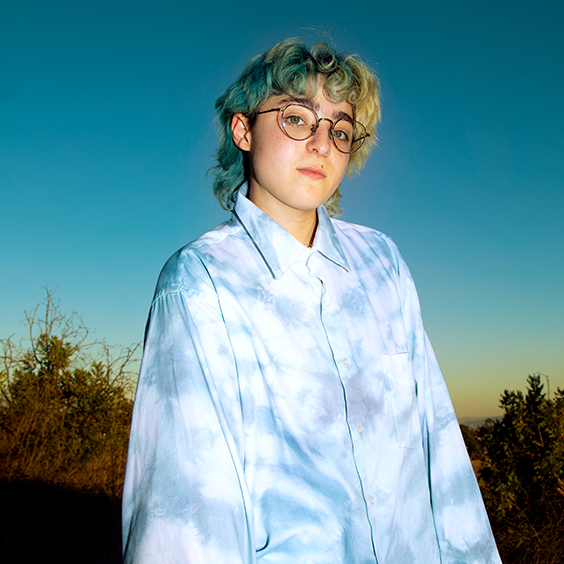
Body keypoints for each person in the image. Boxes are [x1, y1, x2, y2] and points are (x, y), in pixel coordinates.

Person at [122, 38, 501, 563]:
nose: (322, 143)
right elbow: (185, 519)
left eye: (339, 130)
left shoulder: (382, 263)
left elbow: (438, 447)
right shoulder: (200, 284)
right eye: (297, 119)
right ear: (243, 130)